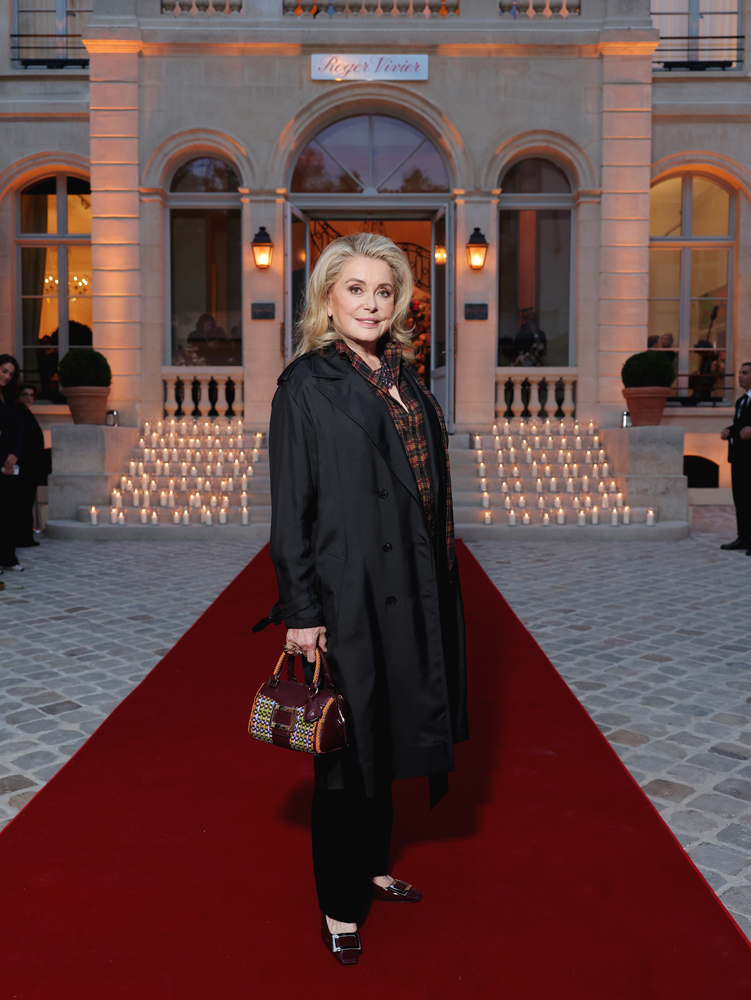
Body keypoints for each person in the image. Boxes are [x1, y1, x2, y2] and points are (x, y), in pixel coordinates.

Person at [257, 233, 468, 965]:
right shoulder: (306, 385)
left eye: (384, 291)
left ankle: (371, 865)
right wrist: (303, 614)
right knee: (346, 754)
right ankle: (338, 905)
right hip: (348, 596)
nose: (371, 304)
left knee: (389, 733)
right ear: (326, 297)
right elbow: (293, 513)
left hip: (411, 587)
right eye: (355, 289)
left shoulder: (402, 377)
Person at [720, 361, 751, 554]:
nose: (740, 376)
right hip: (738, 459)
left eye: (745, 373)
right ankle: (743, 538)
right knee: (740, 499)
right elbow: (739, 425)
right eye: (740, 373)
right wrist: (728, 431)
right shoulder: (741, 401)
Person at [0, 355, 24, 572]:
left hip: (10, 461)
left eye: (10, 373)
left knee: (8, 511)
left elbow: (18, 429)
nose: (6, 376)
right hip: (1, 460)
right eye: (4, 371)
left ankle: (8, 557)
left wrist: (14, 455)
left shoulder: (10, 397)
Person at [16, 383, 46, 547]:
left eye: (31, 395)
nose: (29, 398)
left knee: (26, 502)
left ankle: (25, 536)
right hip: (24, 466)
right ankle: (22, 537)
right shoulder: (20, 413)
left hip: (31, 467)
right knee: (23, 503)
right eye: (25, 394)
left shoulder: (26, 413)